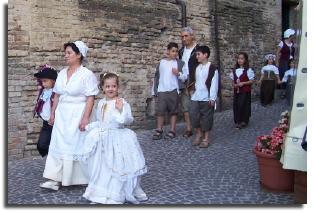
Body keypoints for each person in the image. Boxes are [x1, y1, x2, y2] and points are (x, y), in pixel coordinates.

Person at [39, 41, 99, 191]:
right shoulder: (61, 73)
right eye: (65, 53)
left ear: (79, 55)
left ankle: (81, 177)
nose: (65, 56)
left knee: (77, 144)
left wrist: (85, 118)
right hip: (62, 114)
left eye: (69, 53)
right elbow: (57, 96)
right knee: (58, 144)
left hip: (78, 112)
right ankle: (54, 178)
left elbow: (91, 97)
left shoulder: (87, 74)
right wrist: (52, 113)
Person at [81, 72, 148, 204]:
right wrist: (89, 127)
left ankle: (117, 193)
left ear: (118, 88)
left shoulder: (121, 102)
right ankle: (101, 193)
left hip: (118, 137)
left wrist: (120, 110)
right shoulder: (100, 103)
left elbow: (127, 120)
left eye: (113, 86)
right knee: (103, 166)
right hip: (103, 138)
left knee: (117, 164)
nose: (110, 89)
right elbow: (101, 121)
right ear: (103, 88)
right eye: (107, 86)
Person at [152, 42, 186, 140]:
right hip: (162, 90)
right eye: (173, 51)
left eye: (176, 51)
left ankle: (172, 130)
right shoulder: (161, 62)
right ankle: (159, 130)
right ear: (168, 51)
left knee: (173, 111)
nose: (175, 53)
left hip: (173, 90)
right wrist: (154, 91)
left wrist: (178, 73)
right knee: (160, 111)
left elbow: (184, 78)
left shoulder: (180, 63)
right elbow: (156, 77)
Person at [187, 46, 218, 148]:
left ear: (205, 55)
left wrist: (212, 98)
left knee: (207, 118)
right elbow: (194, 81)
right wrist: (192, 92)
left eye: (198, 54)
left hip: (206, 97)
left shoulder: (212, 68)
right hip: (196, 96)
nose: (197, 57)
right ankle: (199, 133)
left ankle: (206, 138)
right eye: (196, 54)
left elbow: (214, 83)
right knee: (193, 115)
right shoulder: (197, 68)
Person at [178, 26, 200, 138]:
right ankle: (189, 128)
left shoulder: (198, 50)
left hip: (195, 81)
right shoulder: (181, 51)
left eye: (186, 36)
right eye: (182, 36)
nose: (184, 38)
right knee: (185, 107)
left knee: (197, 107)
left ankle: (199, 130)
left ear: (192, 36)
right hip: (184, 81)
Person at [33, 65, 58, 157]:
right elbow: (40, 103)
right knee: (41, 145)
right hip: (46, 123)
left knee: (55, 145)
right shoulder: (43, 91)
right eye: (42, 81)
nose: (43, 83)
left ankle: (54, 160)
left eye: (45, 81)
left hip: (55, 123)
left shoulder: (56, 93)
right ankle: (51, 157)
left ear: (53, 81)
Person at [230, 52, 255, 129]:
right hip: (237, 92)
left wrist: (243, 83)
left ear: (245, 60)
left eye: (242, 58)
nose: (240, 60)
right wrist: (234, 85)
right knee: (236, 106)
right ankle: (238, 121)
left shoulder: (248, 70)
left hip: (245, 91)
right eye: (238, 58)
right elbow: (233, 81)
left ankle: (244, 120)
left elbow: (251, 81)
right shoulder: (234, 71)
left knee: (243, 105)